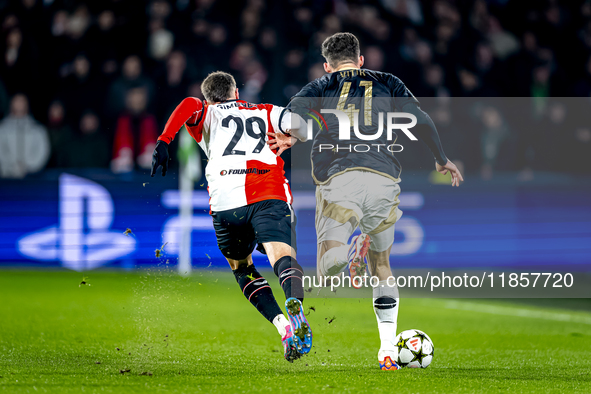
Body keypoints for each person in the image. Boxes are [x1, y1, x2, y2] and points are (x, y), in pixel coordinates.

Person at [268, 32, 463, 370]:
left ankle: (350, 249)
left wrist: (293, 136)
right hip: (385, 180)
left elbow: (293, 119)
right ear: (361, 60)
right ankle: (387, 350)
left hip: (339, 178)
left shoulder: (319, 87)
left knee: (330, 266)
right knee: (383, 266)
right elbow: (422, 120)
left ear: (327, 66)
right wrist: (441, 158)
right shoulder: (388, 81)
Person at [150, 71, 312, 362]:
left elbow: (188, 104)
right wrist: (291, 140)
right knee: (283, 257)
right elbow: (302, 124)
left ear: (208, 97)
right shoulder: (266, 111)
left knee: (242, 269)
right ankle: (294, 301)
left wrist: (164, 140)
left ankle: (283, 327)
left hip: (226, 203)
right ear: (236, 92)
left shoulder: (205, 113)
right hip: (267, 193)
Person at [0, 94, 50, 178]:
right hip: (6, 178)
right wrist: (12, 167)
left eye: (22, 101)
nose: (19, 104)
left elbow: (42, 152)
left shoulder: (38, 130)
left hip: (33, 179)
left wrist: (27, 167)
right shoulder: (2, 129)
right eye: (17, 101)